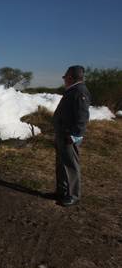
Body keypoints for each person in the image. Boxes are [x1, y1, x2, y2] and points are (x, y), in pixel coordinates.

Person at [53, 65, 91, 207]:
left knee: (70, 166)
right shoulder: (73, 90)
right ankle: (62, 192)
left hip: (69, 136)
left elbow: (82, 117)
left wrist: (75, 136)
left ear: (70, 77)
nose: (64, 79)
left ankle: (73, 195)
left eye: (65, 77)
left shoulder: (80, 91)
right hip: (62, 135)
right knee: (61, 165)